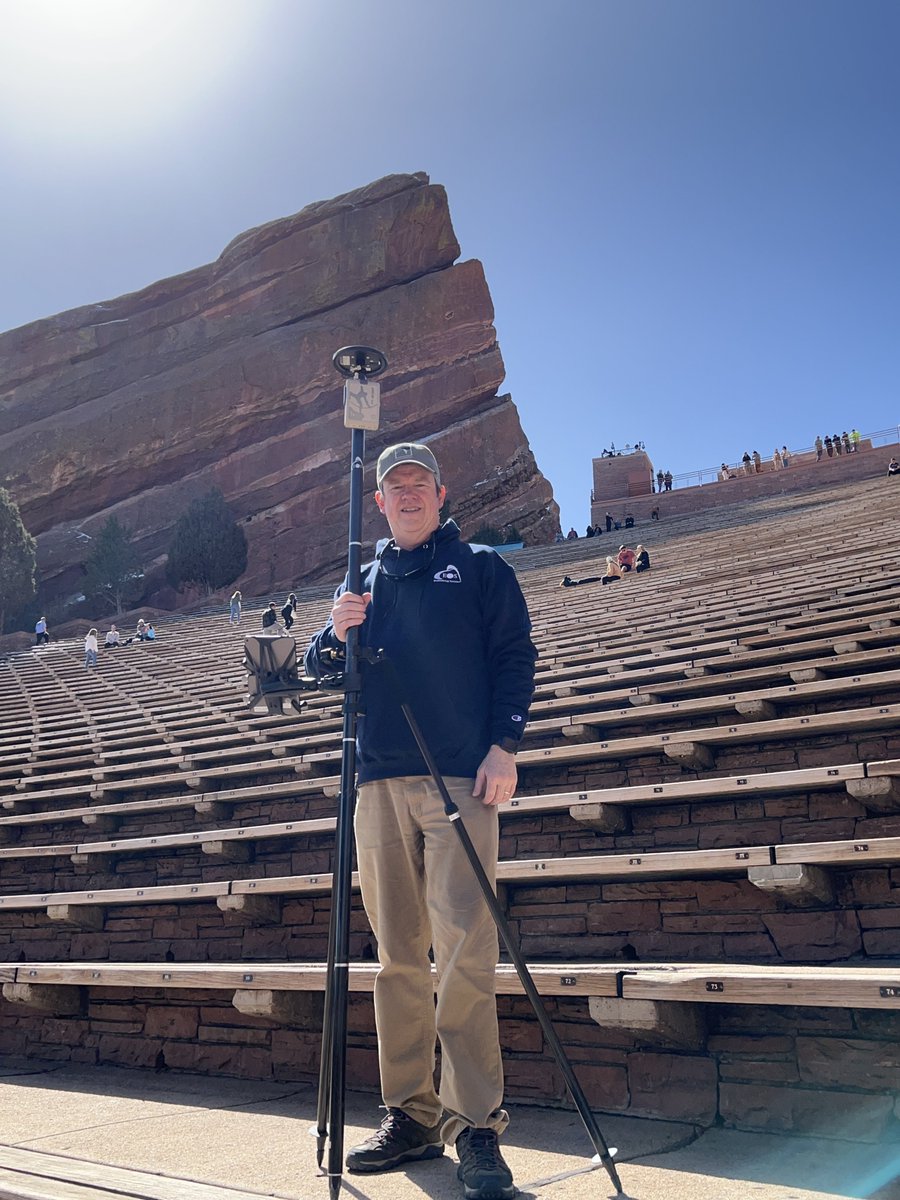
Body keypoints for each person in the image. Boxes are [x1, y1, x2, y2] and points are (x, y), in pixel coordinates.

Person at [305, 442, 536, 1198]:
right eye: (392, 487)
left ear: (440, 494)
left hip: (460, 781)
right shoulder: (359, 582)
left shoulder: (478, 568)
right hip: (377, 784)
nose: (405, 495)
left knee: (466, 952)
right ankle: (410, 1112)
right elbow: (317, 667)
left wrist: (505, 745)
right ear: (378, 503)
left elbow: (514, 655)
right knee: (397, 958)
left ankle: (475, 1127)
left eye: (417, 484)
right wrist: (330, 634)